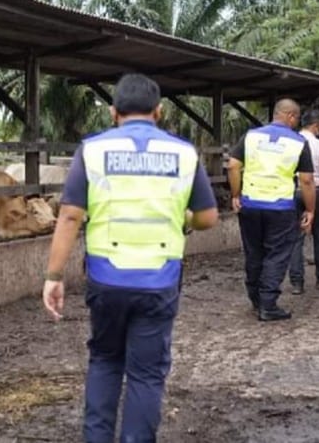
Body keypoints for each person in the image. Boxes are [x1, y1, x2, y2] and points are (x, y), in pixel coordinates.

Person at [41, 74, 219, 443]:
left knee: (105, 360)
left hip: (107, 279)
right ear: (159, 111)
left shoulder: (92, 150)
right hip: (160, 280)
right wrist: (183, 218)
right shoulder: (184, 153)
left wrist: (54, 275)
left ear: (112, 112)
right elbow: (207, 218)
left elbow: (71, 215)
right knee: (146, 374)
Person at [227, 98, 316, 322]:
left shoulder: (251, 136)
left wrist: (236, 194)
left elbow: (234, 166)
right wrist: (310, 210)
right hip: (280, 207)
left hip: (250, 204)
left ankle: (255, 299)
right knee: (276, 254)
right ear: (291, 117)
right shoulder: (298, 142)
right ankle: (268, 304)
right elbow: (306, 181)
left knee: (254, 252)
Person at [287, 109, 319, 294]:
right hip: (315, 192)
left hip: (292, 192)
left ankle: (297, 282)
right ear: (316, 126)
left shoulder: (290, 143)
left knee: (295, 238)